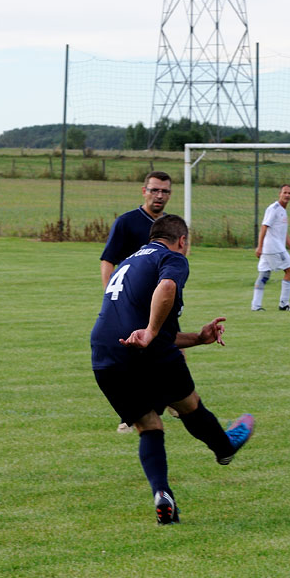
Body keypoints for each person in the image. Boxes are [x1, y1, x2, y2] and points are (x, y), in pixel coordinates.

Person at [92, 214, 255, 525]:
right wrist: (152, 332)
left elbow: (139, 324)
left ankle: (162, 494)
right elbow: (166, 288)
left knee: (148, 425)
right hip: (144, 348)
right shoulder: (172, 257)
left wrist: (197, 338)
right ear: (183, 241)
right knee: (189, 404)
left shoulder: (127, 263)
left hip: (104, 353)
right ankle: (224, 447)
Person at [100, 170, 174, 433]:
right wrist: (112, 297)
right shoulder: (127, 222)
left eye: (164, 191)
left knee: (172, 349)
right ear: (144, 191)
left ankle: (170, 399)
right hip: (130, 303)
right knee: (131, 358)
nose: (159, 195)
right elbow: (108, 260)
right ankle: (130, 415)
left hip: (160, 302)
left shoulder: (171, 227)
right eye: (154, 190)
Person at [252, 184, 290, 311]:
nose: (287, 195)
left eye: (289, 193)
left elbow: (283, 234)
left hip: (270, 248)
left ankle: (256, 306)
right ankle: (284, 304)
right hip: (273, 248)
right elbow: (264, 227)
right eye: (285, 192)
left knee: (264, 275)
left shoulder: (283, 211)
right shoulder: (274, 208)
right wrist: (259, 246)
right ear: (279, 194)